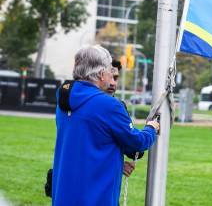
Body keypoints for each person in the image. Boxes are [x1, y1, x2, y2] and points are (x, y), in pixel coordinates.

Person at [51, 45, 159, 206]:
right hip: (95, 199)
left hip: (63, 196)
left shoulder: (63, 98)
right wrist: (151, 129)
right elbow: (136, 143)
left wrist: (116, 163)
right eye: (110, 72)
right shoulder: (109, 105)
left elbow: (86, 143)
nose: (111, 78)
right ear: (101, 74)